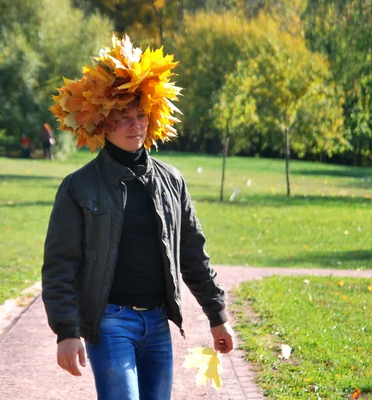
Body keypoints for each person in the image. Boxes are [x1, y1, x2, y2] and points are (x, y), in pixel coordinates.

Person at [41, 35, 234, 400]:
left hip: (159, 323)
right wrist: (67, 331)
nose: (135, 126)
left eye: (140, 115)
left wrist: (217, 314)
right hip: (110, 322)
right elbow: (60, 266)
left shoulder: (171, 181)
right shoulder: (78, 187)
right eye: (123, 118)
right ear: (101, 124)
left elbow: (193, 254)